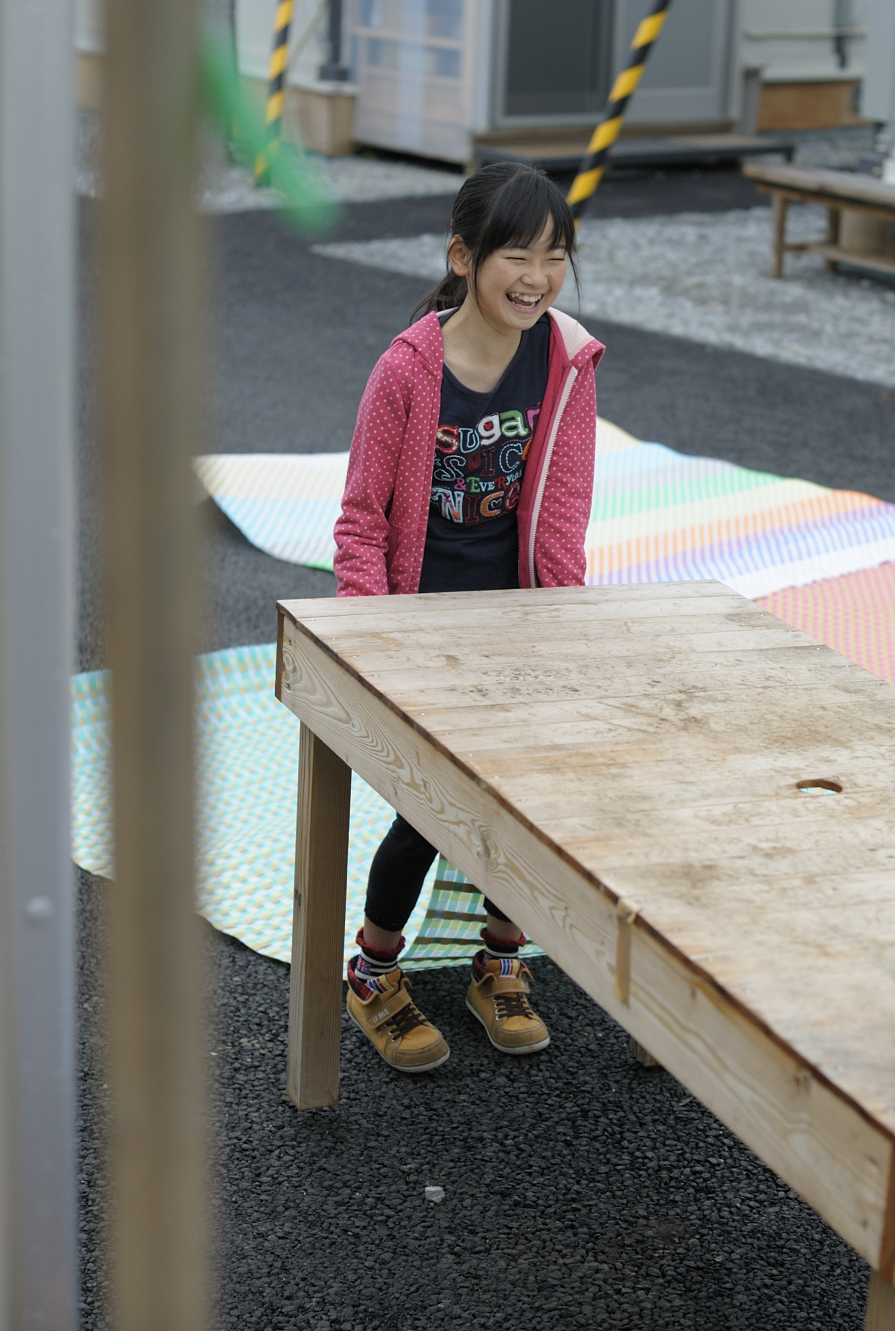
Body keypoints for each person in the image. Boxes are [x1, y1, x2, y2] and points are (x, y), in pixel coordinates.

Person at [332, 162, 603, 1073]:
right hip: (420, 626)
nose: (537, 276)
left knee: (528, 794)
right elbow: (361, 519)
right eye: (517, 255)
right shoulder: (407, 368)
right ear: (464, 257)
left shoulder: (565, 362)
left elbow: (562, 516)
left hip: (514, 621)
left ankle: (500, 958)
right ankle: (373, 969)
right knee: (432, 806)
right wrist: (370, 641)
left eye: (555, 256)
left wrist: (562, 632)